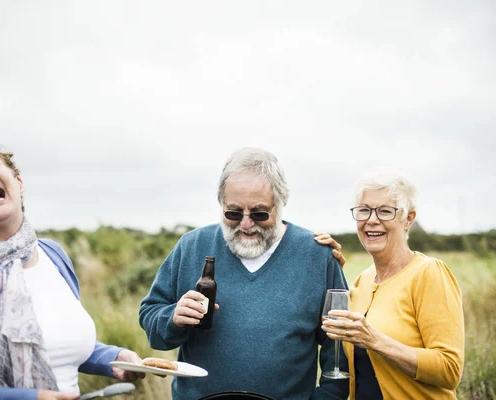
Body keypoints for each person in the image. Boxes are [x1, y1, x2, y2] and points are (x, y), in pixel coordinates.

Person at [0, 140, 145, 400]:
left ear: (19, 185)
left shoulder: (53, 255)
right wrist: (29, 398)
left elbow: (55, 342)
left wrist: (113, 357)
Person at [139, 147, 350, 400]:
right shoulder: (191, 246)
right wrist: (172, 317)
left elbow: (338, 346)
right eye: (233, 212)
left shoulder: (317, 255)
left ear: (280, 204)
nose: (246, 223)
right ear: (221, 204)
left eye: (260, 213)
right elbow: (150, 314)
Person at [318, 168, 465, 399]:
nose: (372, 220)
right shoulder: (361, 281)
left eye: (385, 211)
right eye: (364, 210)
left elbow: (450, 370)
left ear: (408, 219)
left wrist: (374, 340)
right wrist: (324, 262)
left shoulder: (429, 273)